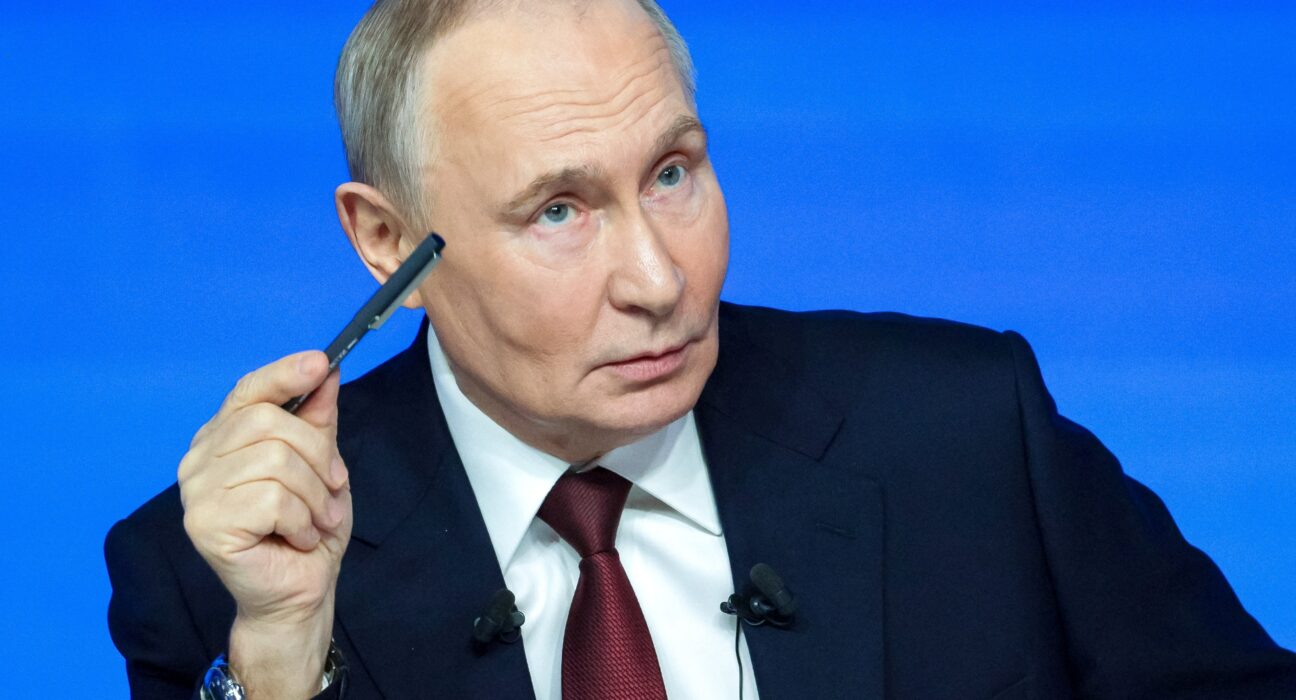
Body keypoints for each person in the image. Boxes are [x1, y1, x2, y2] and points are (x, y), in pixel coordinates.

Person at [105, 1, 1296, 698]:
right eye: (559, 210)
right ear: (385, 241)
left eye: (673, 173)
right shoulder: (224, 573)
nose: (661, 279)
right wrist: (279, 662)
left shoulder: (968, 432)